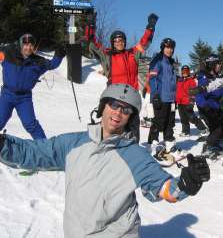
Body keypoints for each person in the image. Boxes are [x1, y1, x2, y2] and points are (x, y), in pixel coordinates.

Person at [0, 84, 210, 238]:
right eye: (114, 105)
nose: (118, 112)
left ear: (131, 117)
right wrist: (3, 144)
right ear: (103, 107)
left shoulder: (135, 155)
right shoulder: (73, 143)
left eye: (126, 110)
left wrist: (185, 184)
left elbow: (164, 188)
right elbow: (33, 152)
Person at [86, 13, 158, 141]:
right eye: (116, 41)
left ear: (125, 41)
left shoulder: (132, 53)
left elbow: (144, 42)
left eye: (121, 40)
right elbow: (91, 43)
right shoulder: (107, 55)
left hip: (131, 99)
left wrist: (150, 27)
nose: (119, 42)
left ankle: (133, 155)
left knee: (133, 134)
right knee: (112, 132)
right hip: (114, 99)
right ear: (112, 43)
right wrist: (90, 25)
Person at [0, 34, 65, 139]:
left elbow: (52, 64)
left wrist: (59, 54)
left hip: (24, 98)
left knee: (30, 124)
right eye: (25, 45)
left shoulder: (37, 62)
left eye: (31, 45)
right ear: (21, 45)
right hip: (7, 95)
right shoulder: (8, 55)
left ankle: (43, 147)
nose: (28, 47)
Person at [147, 38, 178, 154]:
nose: (169, 50)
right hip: (160, 98)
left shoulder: (170, 62)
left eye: (171, 48)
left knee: (170, 123)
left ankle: (169, 144)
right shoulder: (158, 60)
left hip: (171, 99)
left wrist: (175, 99)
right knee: (158, 123)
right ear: (162, 48)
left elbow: (173, 82)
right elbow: (153, 78)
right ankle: (152, 145)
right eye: (167, 47)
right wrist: (155, 95)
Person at [194, 54, 223, 159]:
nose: (219, 66)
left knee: (221, 127)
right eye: (217, 64)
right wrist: (206, 108)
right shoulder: (204, 77)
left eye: (219, 64)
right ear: (211, 65)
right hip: (208, 108)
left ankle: (217, 144)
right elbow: (199, 95)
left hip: (216, 106)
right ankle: (208, 147)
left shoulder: (215, 76)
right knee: (218, 128)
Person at [176, 65, 208, 137]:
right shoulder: (179, 80)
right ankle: (185, 131)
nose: (185, 73)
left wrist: (191, 102)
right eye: (183, 71)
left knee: (192, 117)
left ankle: (203, 129)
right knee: (183, 118)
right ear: (181, 72)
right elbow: (177, 91)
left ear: (188, 72)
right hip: (180, 102)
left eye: (186, 71)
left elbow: (194, 92)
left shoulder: (191, 80)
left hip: (187, 102)